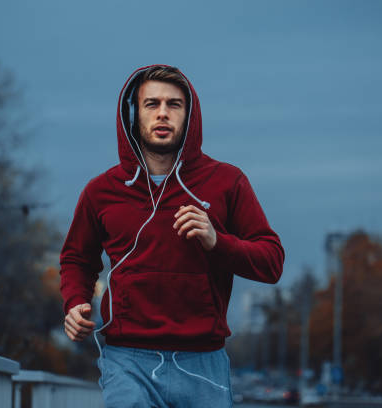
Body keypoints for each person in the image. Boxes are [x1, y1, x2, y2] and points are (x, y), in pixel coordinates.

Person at [60, 65, 284, 407]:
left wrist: (216, 241)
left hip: (203, 363)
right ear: (134, 115)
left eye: (174, 104)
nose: (162, 113)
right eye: (151, 104)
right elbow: (77, 258)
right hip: (127, 359)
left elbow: (272, 262)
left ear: (190, 115)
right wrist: (75, 301)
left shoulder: (227, 181)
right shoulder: (101, 191)